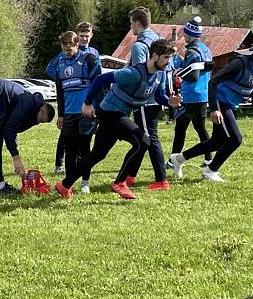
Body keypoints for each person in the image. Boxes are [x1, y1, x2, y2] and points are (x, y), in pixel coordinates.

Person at [55, 39, 182, 200]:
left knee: (97, 154)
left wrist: (170, 102)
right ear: (154, 56)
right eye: (166, 58)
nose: (168, 62)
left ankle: (64, 185)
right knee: (143, 142)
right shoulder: (134, 73)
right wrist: (87, 104)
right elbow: (101, 79)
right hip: (109, 112)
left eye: (170, 58)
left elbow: (158, 96)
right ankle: (120, 182)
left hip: (119, 114)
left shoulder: (160, 74)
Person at [169, 38, 253, 182]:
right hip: (221, 102)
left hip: (231, 105)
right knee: (235, 139)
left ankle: (179, 159)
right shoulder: (239, 64)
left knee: (216, 142)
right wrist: (214, 109)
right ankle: (210, 170)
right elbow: (213, 82)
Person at [0, 78, 55, 194]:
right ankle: (1, 186)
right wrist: (16, 157)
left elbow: (12, 126)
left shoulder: (31, 104)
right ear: (42, 110)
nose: (38, 122)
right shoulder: (27, 104)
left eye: (41, 122)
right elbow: (9, 129)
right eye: (41, 119)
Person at [48, 31, 101, 193]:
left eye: (70, 50)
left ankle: (85, 182)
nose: (67, 53)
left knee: (84, 149)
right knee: (70, 149)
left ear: (77, 45)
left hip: (86, 112)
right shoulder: (60, 63)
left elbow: (99, 85)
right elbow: (60, 90)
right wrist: (61, 115)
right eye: (64, 49)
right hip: (69, 113)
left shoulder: (89, 60)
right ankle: (68, 184)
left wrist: (95, 107)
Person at [127, 6, 171, 191]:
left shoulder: (139, 45)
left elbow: (138, 74)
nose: (131, 28)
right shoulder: (158, 39)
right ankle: (130, 175)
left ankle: (161, 180)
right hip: (157, 94)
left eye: (131, 24)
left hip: (145, 99)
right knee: (142, 137)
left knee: (149, 138)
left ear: (137, 23)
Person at [167, 17, 214, 172]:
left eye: (185, 34)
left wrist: (177, 73)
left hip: (190, 95)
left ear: (190, 34)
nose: (183, 36)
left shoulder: (191, 51)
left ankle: (174, 160)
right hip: (203, 94)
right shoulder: (206, 50)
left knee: (180, 128)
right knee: (200, 127)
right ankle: (208, 159)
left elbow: (192, 76)